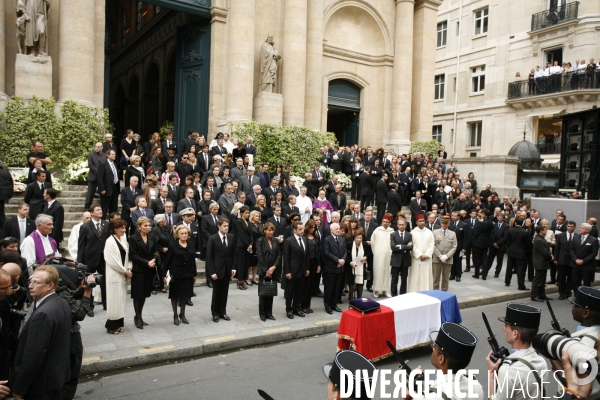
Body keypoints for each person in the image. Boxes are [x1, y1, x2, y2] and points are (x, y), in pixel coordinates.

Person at [9, 266, 71, 400]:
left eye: (36, 283)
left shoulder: (43, 314)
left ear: (50, 286)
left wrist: (19, 388)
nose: (30, 286)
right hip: (55, 379)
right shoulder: (62, 303)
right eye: (31, 281)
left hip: (41, 386)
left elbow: (33, 355)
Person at [486, 303, 547, 400]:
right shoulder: (542, 361)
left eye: (506, 325)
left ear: (515, 334)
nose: (503, 328)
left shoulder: (508, 370)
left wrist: (491, 374)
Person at [412, 322, 484, 399]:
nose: (432, 349)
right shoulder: (476, 387)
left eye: (434, 346)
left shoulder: (432, 396)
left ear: (441, 359)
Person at [56, 271, 94, 400]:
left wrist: (80, 289)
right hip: (70, 337)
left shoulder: (50, 292)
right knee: (71, 376)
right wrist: (87, 293)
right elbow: (79, 314)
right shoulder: (59, 292)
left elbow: (70, 297)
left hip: (59, 338)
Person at [77, 205, 110, 315]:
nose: (100, 211)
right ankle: (89, 306)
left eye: (101, 209)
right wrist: (80, 262)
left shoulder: (106, 224)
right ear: (91, 213)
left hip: (104, 258)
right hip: (90, 258)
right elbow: (81, 245)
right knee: (89, 281)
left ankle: (106, 303)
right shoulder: (85, 227)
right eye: (97, 210)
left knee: (105, 281)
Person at [129, 216, 159, 329]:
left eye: (149, 225)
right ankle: (137, 317)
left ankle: (140, 316)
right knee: (138, 295)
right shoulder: (133, 238)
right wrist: (147, 262)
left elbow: (156, 250)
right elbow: (134, 255)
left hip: (149, 269)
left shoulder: (151, 236)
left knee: (144, 294)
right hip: (139, 270)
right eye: (145, 226)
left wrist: (154, 260)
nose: (148, 227)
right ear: (139, 227)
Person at [205, 218, 236, 323]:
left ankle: (223, 312)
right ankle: (215, 313)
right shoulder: (213, 239)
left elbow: (234, 254)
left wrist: (233, 267)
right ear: (219, 226)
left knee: (224, 292)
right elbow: (209, 257)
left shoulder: (231, 237)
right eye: (224, 226)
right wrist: (212, 272)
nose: (227, 228)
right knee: (216, 293)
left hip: (227, 270)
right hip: (217, 270)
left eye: (227, 226)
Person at [164, 225, 197, 325]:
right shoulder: (173, 245)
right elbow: (167, 261)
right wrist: (163, 275)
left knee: (185, 295)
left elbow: (192, 261)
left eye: (185, 233)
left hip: (187, 274)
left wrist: (194, 274)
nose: (184, 235)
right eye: (182, 233)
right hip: (176, 274)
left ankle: (182, 314)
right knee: (175, 295)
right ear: (177, 235)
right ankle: (175, 315)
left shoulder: (191, 245)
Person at [103, 218, 131, 334]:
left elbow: (127, 255)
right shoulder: (109, 242)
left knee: (120, 300)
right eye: (121, 228)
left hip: (122, 274)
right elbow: (113, 261)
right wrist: (125, 271)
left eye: (125, 227)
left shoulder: (123, 240)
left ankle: (119, 324)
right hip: (114, 274)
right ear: (115, 229)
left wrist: (128, 268)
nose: (124, 230)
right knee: (114, 300)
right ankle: (111, 326)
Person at [283, 220, 310, 319]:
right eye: (300, 229)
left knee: (299, 291)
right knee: (290, 292)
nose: (302, 231)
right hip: (293, 271)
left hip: (302, 270)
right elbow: (286, 257)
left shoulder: (305, 239)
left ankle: (297, 308)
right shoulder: (289, 241)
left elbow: (306, 255)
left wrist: (307, 268)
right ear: (294, 230)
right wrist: (288, 271)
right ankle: (289, 309)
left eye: (303, 229)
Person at [256, 222, 281, 321]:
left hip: (273, 270)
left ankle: (269, 313)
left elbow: (279, 255)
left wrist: (274, 267)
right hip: (264, 270)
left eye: (272, 230)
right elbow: (260, 256)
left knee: (271, 291)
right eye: (269, 230)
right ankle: (262, 314)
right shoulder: (260, 241)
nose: (271, 232)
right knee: (263, 293)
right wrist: (267, 270)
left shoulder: (275, 240)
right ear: (264, 230)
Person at [322, 223, 346, 314]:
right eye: (336, 229)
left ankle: (334, 304)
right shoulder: (327, 240)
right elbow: (327, 253)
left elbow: (344, 251)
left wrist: (342, 260)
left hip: (340, 268)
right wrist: (338, 261)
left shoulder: (342, 239)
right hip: (331, 267)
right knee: (329, 288)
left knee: (337, 287)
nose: (338, 230)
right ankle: (327, 306)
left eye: (339, 229)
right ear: (331, 230)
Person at [570, 222, 599, 292]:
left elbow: (594, 253)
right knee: (575, 281)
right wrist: (575, 259)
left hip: (587, 265)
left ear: (587, 230)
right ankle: (577, 297)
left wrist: (584, 261)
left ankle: (586, 298)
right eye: (580, 227)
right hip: (576, 264)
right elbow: (571, 250)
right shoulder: (575, 237)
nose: (580, 229)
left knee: (586, 283)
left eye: (582, 228)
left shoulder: (593, 240)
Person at [370, 213, 394, 297]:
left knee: (387, 271)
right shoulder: (377, 231)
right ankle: (376, 290)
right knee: (378, 271)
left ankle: (385, 290)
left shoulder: (392, 231)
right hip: (378, 254)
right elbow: (373, 242)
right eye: (383, 221)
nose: (385, 223)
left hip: (388, 254)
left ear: (389, 223)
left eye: (387, 222)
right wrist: (376, 252)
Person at [432, 215, 457, 292]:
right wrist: (439, 255)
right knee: (436, 277)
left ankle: (444, 292)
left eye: (446, 223)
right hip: (437, 258)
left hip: (448, 259)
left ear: (449, 224)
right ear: (440, 223)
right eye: (443, 223)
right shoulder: (435, 232)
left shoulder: (453, 233)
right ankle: (435, 292)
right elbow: (433, 245)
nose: (444, 225)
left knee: (445, 278)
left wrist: (447, 256)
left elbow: (454, 246)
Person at [530, 224, 554, 302]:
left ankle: (542, 295)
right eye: (545, 230)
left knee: (542, 280)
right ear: (541, 231)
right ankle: (534, 295)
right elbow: (545, 252)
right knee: (538, 280)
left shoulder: (540, 238)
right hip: (540, 262)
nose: (546, 231)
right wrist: (551, 257)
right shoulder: (539, 240)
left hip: (542, 263)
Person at [390, 218, 413, 296]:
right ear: (397, 225)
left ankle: (403, 295)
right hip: (396, 260)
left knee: (404, 279)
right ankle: (394, 295)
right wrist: (405, 247)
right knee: (394, 279)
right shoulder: (393, 234)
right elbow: (393, 247)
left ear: (405, 225)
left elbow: (411, 247)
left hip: (405, 260)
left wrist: (400, 246)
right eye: (400, 225)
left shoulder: (409, 234)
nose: (401, 226)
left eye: (403, 225)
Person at [505, 218, 529, 290]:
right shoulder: (525, 232)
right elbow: (527, 244)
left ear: (515, 223)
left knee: (509, 267)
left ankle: (507, 281)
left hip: (511, 251)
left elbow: (508, 241)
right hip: (520, 252)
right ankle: (521, 285)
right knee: (520, 269)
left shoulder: (510, 230)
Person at [554, 220, 576, 300]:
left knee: (571, 277)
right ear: (566, 227)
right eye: (568, 226)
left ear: (574, 227)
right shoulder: (560, 236)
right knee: (561, 277)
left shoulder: (577, 236)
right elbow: (557, 248)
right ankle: (562, 293)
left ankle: (568, 292)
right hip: (562, 259)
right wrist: (556, 258)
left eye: (571, 227)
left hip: (572, 260)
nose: (570, 228)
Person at [97, 149, 121, 219]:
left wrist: (118, 190)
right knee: (104, 208)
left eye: (115, 154)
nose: (114, 156)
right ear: (108, 155)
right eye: (113, 154)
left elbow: (116, 176)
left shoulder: (115, 164)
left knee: (114, 208)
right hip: (106, 189)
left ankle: (113, 225)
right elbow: (99, 178)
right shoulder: (103, 164)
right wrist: (102, 189)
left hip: (114, 188)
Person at [471, 209, 493, 279]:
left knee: (477, 259)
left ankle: (477, 274)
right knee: (484, 259)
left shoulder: (481, 223)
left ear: (485, 215)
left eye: (483, 214)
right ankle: (484, 275)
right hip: (486, 243)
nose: (481, 215)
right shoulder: (491, 223)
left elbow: (476, 232)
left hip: (479, 242)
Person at [347, 231, 366, 300]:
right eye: (357, 238)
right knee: (351, 282)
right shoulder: (349, 244)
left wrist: (365, 257)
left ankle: (359, 297)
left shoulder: (364, 244)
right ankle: (351, 297)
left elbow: (369, 253)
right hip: (351, 266)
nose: (359, 240)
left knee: (360, 283)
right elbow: (346, 255)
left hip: (361, 266)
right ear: (354, 238)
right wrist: (350, 262)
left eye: (360, 238)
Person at [448, 211, 466, 282]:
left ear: (459, 216)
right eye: (452, 216)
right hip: (451, 246)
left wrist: (464, 247)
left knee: (458, 261)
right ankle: (452, 274)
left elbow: (466, 237)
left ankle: (458, 275)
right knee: (451, 261)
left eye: (454, 216)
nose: (453, 217)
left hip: (459, 246)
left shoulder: (464, 225)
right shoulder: (450, 224)